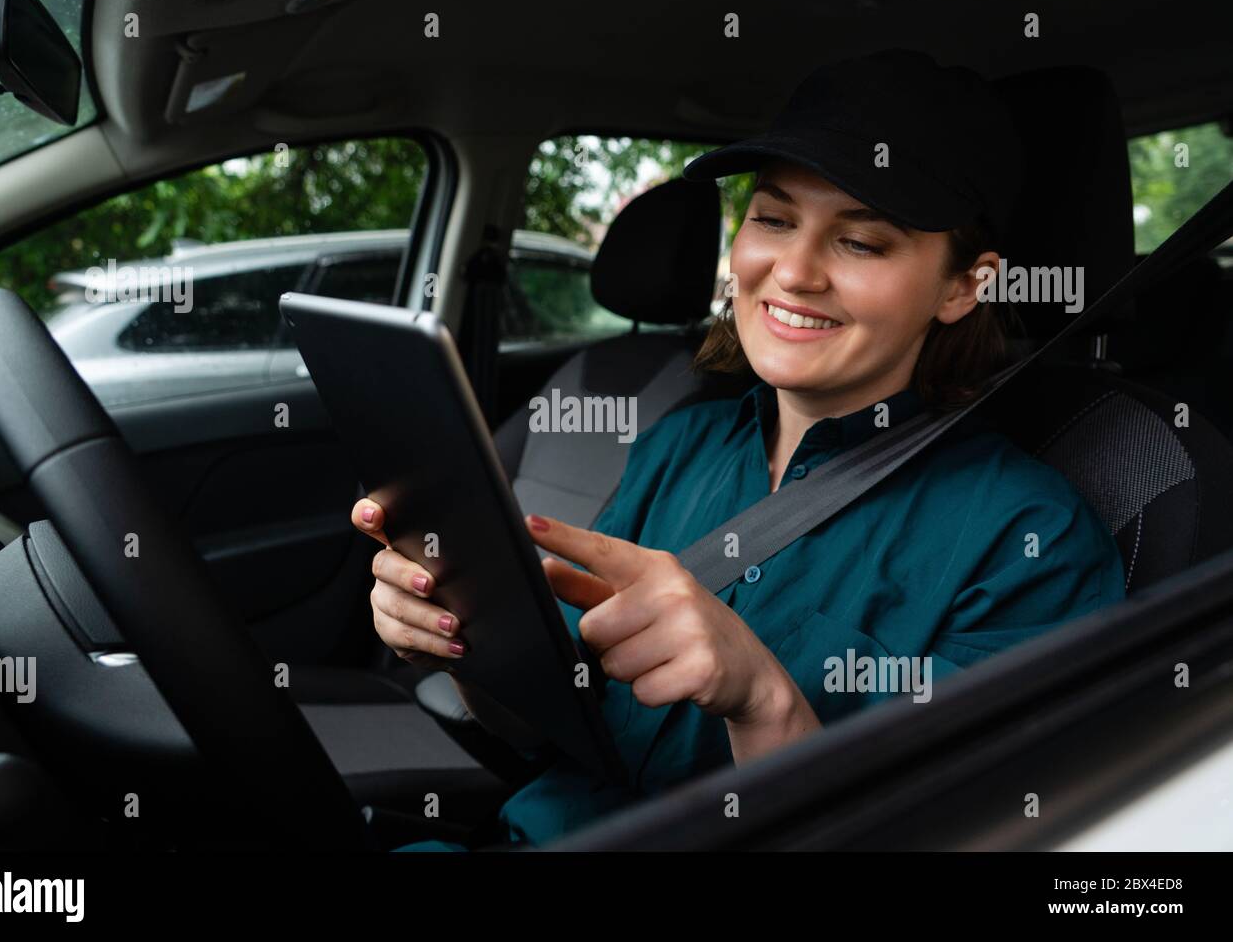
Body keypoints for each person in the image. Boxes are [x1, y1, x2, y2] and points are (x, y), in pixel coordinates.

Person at [352, 49, 1126, 850]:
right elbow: (553, 735)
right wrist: (468, 644)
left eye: (861, 242)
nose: (793, 271)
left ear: (965, 286)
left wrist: (765, 699)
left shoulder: (1031, 544)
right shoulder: (679, 442)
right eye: (774, 217)